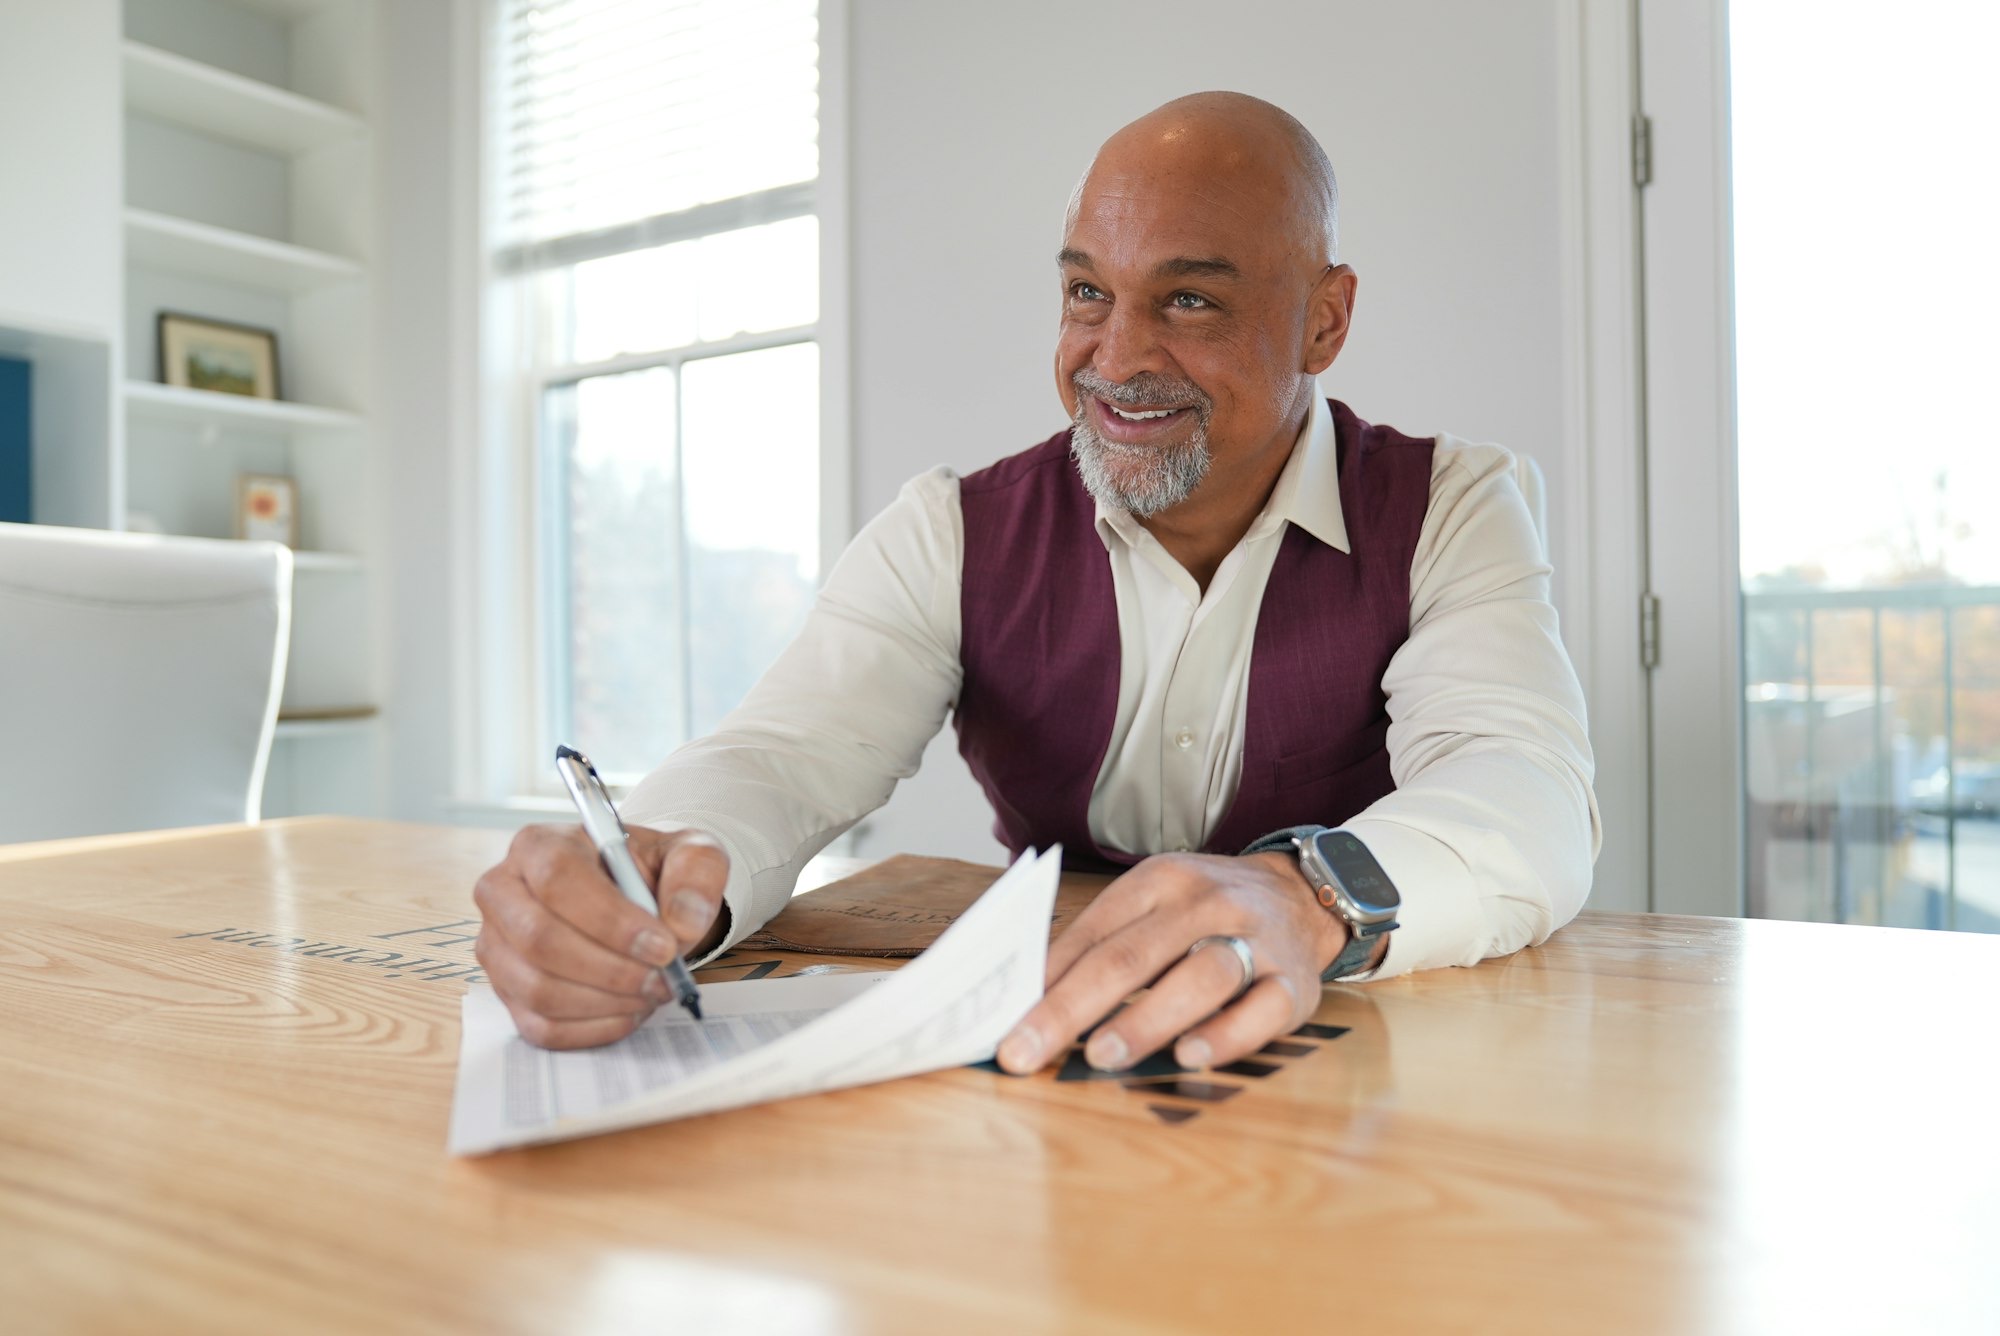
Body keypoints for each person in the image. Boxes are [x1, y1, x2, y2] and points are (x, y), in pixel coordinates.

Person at [471, 91, 1600, 1076]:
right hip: (1042, 1050)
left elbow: (1525, 788)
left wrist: (1310, 896)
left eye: (1189, 300)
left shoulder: (1452, 504)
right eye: (1084, 294)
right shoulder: (949, 530)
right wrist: (658, 871)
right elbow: (781, 753)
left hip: (1364, 1052)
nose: (1114, 358)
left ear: (1324, 318)